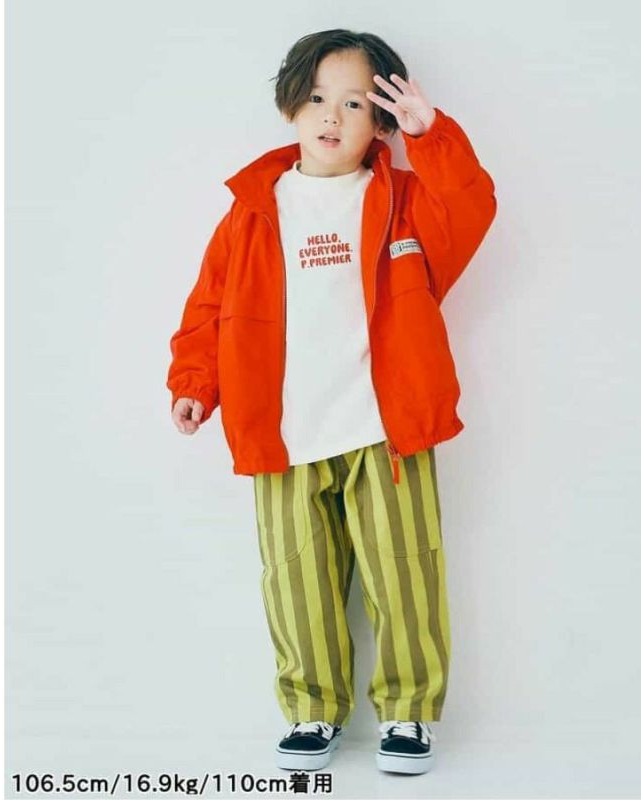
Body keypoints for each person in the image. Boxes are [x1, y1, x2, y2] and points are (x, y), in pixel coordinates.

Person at [167, 28, 497, 776]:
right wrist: (194, 383)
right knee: (295, 579)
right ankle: (312, 710)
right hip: (282, 432)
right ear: (290, 105)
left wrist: (431, 137)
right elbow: (209, 306)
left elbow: (471, 207)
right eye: (317, 97)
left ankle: (409, 712)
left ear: (379, 122)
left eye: (354, 103)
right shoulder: (254, 209)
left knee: (405, 572)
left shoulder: (406, 202)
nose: (332, 116)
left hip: (387, 429)